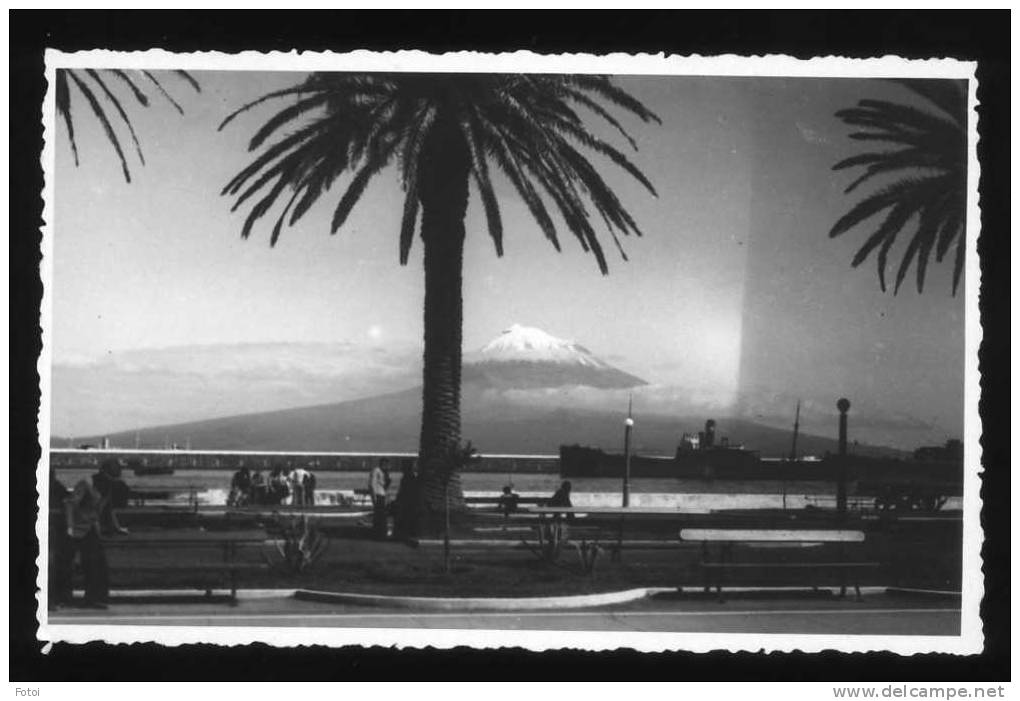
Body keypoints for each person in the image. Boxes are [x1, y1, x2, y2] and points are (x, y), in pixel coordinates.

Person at [61, 477, 111, 608]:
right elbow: (70, 504)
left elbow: (95, 513)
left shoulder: (98, 492)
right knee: (91, 564)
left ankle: (94, 598)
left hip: (87, 529)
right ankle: (92, 598)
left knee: (95, 565)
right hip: (81, 530)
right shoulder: (85, 486)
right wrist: (70, 527)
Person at [92, 459, 129, 535]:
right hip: (97, 509)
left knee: (107, 506)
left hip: (99, 507)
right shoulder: (110, 483)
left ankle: (112, 527)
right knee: (106, 506)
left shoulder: (97, 479)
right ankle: (111, 528)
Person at [393, 459, 421, 540]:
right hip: (409, 502)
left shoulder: (407, 477)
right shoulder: (411, 477)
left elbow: (403, 490)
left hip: (407, 502)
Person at [369, 458, 391, 538]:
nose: (388, 467)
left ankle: (381, 532)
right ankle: (378, 532)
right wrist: (373, 496)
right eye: (386, 465)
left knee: (382, 515)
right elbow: (372, 484)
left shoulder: (384, 473)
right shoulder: (376, 471)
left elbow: (385, 487)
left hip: (382, 495)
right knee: (379, 515)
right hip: (378, 495)